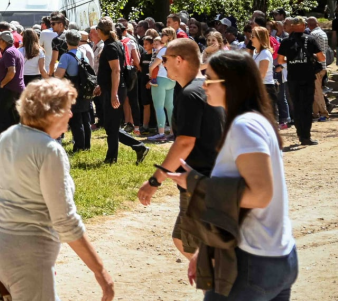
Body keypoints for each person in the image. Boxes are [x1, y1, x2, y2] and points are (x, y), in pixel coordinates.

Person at [169, 51, 298, 301]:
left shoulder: (245, 125)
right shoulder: (255, 120)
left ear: (230, 84)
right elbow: (239, 200)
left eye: (210, 79)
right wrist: (205, 250)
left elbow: (259, 195)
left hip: (250, 263)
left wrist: (196, 182)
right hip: (275, 257)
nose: (203, 84)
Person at [0, 79, 115, 301]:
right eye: (68, 109)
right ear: (53, 112)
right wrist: (101, 271)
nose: (71, 115)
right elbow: (65, 221)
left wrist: (16, 207)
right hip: (29, 255)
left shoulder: (7, 136)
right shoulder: (50, 150)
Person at [136, 38, 224, 258]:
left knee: (197, 248)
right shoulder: (206, 88)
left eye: (165, 58)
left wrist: (155, 180)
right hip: (213, 180)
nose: (162, 63)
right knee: (182, 239)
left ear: (179, 60)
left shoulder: (189, 95)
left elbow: (185, 142)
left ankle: (221, 289)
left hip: (200, 184)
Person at [94, 18, 149, 165]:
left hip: (116, 89)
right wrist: (101, 86)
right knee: (110, 125)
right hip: (112, 88)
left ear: (100, 31)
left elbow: (116, 70)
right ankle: (130, 150)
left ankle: (118, 155)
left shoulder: (111, 46)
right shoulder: (115, 44)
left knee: (111, 126)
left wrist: (113, 94)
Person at [275, 17, 325, 146]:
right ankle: (306, 136)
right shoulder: (311, 39)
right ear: (303, 26)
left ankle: (300, 134)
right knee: (306, 107)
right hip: (308, 77)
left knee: (297, 107)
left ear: (292, 26)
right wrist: (311, 58)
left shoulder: (286, 41)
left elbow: (280, 61)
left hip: (293, 78)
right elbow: (321, 58)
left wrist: (290, 62)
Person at [0, 31, 25, 152]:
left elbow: (11, 72)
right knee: (11, 118)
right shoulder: (15, 51)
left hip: (9, 89)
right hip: (17, 88)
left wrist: (2, 84)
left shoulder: (8, 53)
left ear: (3, 41)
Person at [55, 30, 92, 152]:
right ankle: (86, 144)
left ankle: (79, 146)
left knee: (75, 119)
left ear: (67, 42)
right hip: (84, 88)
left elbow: (59, 75)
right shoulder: (82, 53)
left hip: (72, 89)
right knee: (85, 118)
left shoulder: (66, 56)